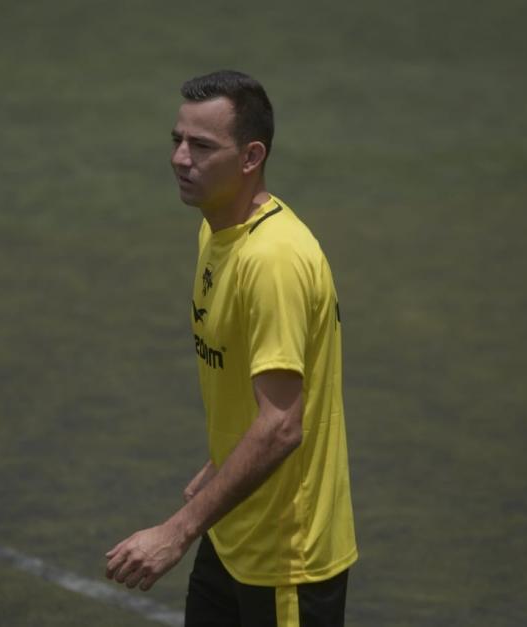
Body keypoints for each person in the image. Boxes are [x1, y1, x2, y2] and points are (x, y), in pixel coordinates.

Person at [106, 70, 357, 626]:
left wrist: (176, 531)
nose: (179, 158)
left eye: (201, 145)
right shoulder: (218, 230)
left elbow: (283, 426)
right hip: (235, 527)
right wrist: (221, 463)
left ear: (251, 157)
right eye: (176, 139)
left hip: (286, 558)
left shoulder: (272, 261)